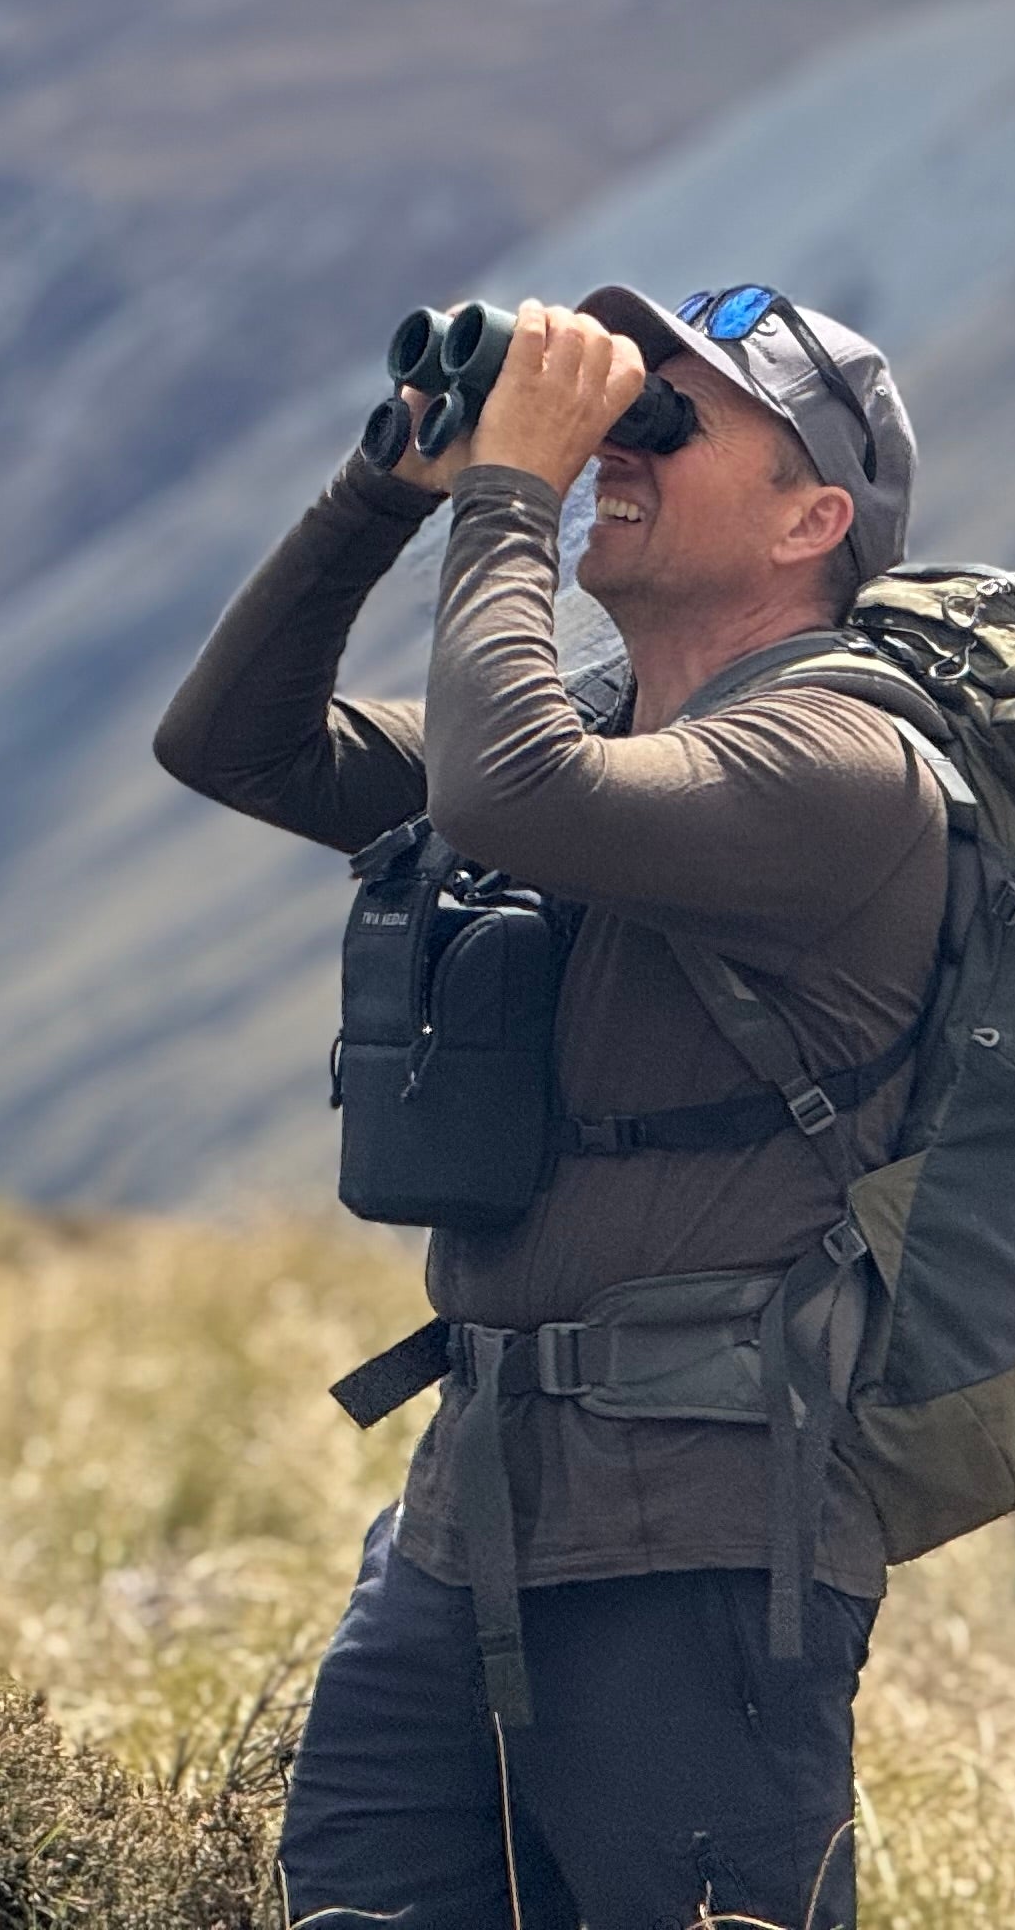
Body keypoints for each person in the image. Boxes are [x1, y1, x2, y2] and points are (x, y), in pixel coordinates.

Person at [153, 285, 941, 1930]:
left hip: (705, 1548)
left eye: (675, 417)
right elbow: (237, 748)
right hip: (468, 1517)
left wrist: (518, 490)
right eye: (618, 403)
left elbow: (511, 792)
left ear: (817, 518)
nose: (619, 437)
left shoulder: (841, 764)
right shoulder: (598, 728)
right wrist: (395, 486)